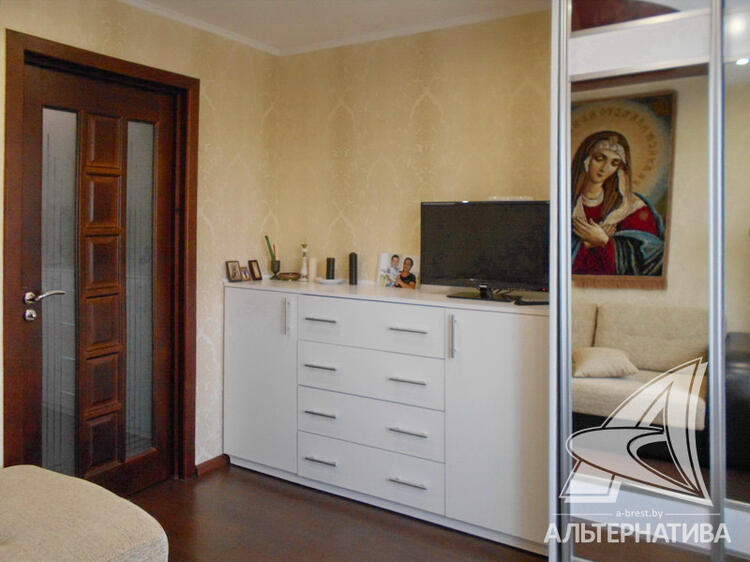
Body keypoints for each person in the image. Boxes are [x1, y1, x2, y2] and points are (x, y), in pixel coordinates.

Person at [571, 130, 665, 276]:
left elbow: (652, 256)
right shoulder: (565, 203)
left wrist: (603, 240)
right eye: (599, 159)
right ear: (585, 159)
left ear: (620, 169)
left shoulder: (631, 207)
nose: (604, 168)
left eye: (614, 163)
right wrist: (588, 243)